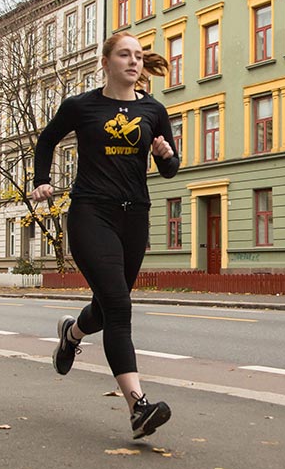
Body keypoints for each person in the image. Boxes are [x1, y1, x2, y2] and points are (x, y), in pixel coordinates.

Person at [31, 31, 179, 439]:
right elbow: (46, 140)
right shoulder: (82, 106)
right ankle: (138, 406)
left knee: (110, 304)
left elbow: (170, 168)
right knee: (119, 306)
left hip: (134, 215)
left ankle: (71, 334)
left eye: (137, 56)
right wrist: (42, 179)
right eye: (124, 55)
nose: (133, 62)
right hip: (90, 213)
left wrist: (166, 156)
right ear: (107, 62)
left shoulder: (153, 110)